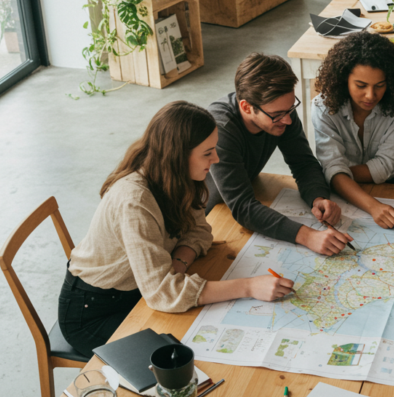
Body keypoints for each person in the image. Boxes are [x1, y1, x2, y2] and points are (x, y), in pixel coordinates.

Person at [59, 101, 295, 356]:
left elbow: (200, 230)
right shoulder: (135, 200)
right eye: (207, 153)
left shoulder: (177, 176)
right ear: (179, 154)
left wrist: (179, 262)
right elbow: (162, 293)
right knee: (187, 355)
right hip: (94, 312)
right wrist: (248, 287)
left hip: (140, 290)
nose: (216, 159)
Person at [206, 53, 351, 256]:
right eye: (277, 115)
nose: (288, 121)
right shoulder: (220, 129)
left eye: (290, 109)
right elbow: (242, 206)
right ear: (247, 107)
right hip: (205, 213)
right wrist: (307, 236)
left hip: (238, 197)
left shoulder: (282, 113)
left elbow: (303, 163)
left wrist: (317, 197)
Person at [312, 32, 394, 229]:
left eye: (380, 85)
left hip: (391, 181)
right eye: (361, 85)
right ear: (344, 80)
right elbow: (333, 167)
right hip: (342, 188)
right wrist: (374, 206)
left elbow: (389, 165)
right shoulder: (322, 107)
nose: (371, 95)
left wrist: (337, 175)